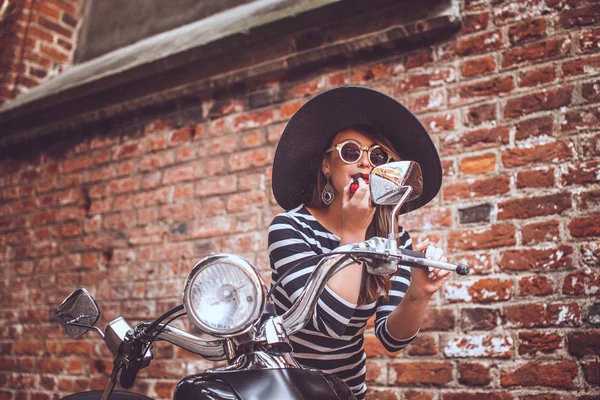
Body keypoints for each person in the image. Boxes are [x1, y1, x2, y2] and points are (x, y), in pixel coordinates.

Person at [268, 86, 451, 399]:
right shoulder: (290, 227)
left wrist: (418, 293)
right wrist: (353, 233)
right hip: (282, 387)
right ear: (327, 165)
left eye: (378, 156)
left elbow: (392, 339)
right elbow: (329, 322)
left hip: (345, 391)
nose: (366, 164)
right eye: (351, 152)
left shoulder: (395, 237)